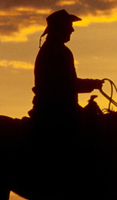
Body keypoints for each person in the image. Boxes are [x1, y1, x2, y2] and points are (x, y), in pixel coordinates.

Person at [29, 9, 104, 140]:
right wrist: (93, 83)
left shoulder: (50, 50)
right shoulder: (59, 52)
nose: (72, 30)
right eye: (69, 26)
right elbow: (67, 85)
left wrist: (91, 83)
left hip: (51, 110)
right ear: (61, 28)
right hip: (58, 113)